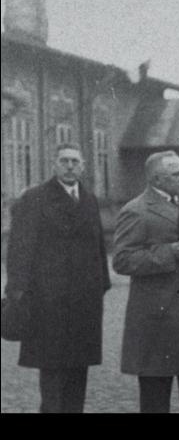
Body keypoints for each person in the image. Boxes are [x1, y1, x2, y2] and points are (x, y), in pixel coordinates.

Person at [4, 143, 110, 412]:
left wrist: (100, 286)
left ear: (83, 166)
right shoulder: (35, 198)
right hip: (47, 305)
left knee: (78, 375)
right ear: (54, 164)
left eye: (75, 161)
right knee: (52, 380)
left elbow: (99, 247)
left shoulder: (88, 199)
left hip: (84, 305)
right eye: (64, 161)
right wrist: (17, 294)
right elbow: (19, 250)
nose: (70, 166)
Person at [112, 150, 179, 413]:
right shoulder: (136, 210)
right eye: (176, 174)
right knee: (156, 399)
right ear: (157, 179)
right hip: (160, 319)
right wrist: (168, 253)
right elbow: (122, 260)